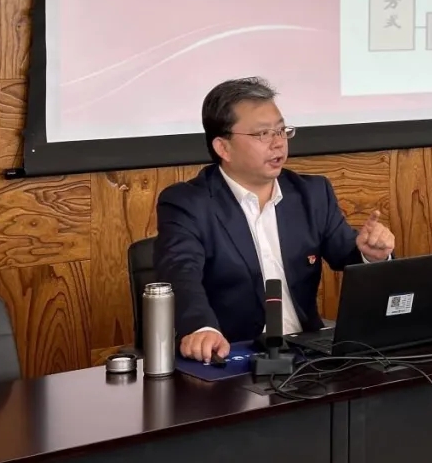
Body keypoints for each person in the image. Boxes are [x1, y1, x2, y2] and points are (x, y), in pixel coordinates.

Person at [153, 77, 395, 363]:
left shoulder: (311, 193)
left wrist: (372, 254)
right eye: (263, 134)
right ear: (223, 148)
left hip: (308, 354)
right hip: (233, 355)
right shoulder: (188, 203)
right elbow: (180, 272)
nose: (279, 143)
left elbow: (347, 252)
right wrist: (202, 329)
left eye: (282, 130)